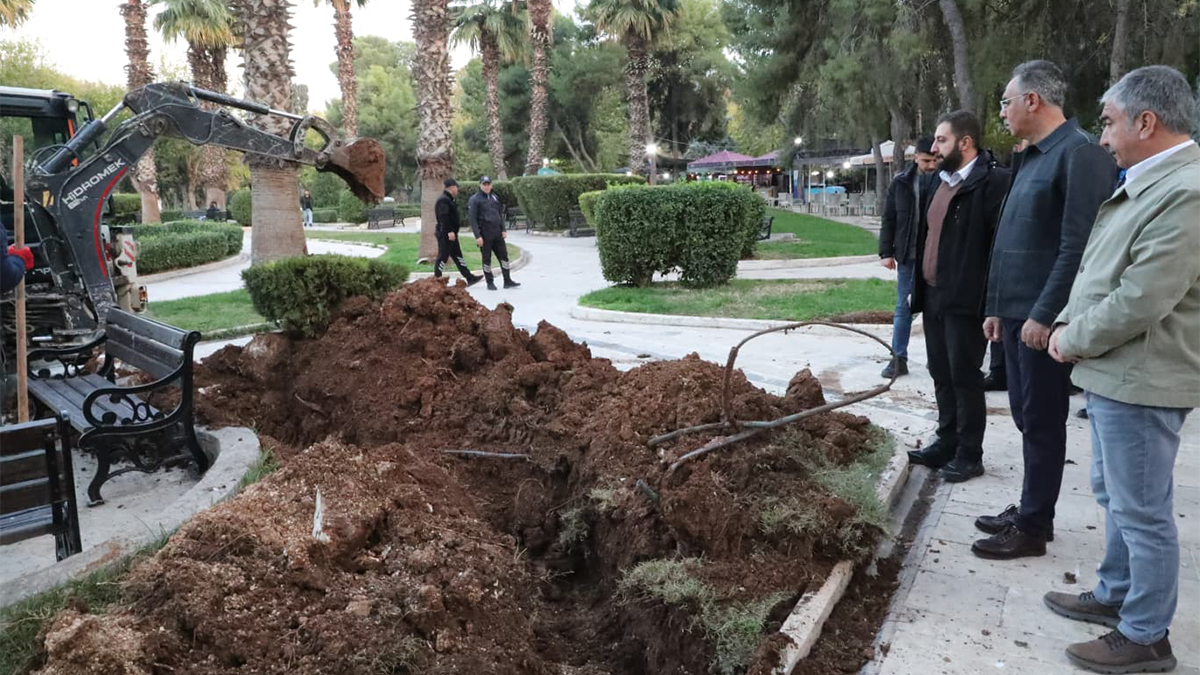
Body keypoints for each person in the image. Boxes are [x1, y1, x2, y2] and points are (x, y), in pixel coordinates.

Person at [1044, 65, 1198, 675]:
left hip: (1143, 375)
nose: (1102, 137)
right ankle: (1115, 595)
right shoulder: (1153, 180)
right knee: (1115, 495)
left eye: (1108, 123)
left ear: (1146, 121)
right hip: (1118, 373)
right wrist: (1065, 324)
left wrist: (1071, 339)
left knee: (1142, 510)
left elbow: (1143, 297)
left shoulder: (1184, 191)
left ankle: (1146, 635)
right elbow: (1101, 273)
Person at [972, 60, 1119, 560]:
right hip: (1014, 314)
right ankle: (1031, 506)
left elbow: (1077, 247)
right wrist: (996, 306)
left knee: (1041, 418)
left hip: (1041, 320)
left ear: (1032, 100)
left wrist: (1045, 313)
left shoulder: (1078, 156)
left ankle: (1035, 526)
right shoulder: (1033, 156)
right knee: (1024, 414)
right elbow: (1010, 239)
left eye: (1006, 102)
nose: (1004, 111)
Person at [906, 110, 1009, 483]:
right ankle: (946, 440)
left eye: (942, 140)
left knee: (965, 377)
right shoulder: (938, 181)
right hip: (933, 296)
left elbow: (1000, 248)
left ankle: (969, 453)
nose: (934, 148)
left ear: (965, 143)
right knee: (940, 373)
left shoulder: (993, 183)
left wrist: (992, 305)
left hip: (966, 302)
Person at [878, 135, 937, 379]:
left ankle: (937, 359)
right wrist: (886, 252)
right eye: (926, 160)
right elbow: (889, 218)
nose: (931, 165)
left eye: (934, 160)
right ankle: (898, 358)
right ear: (916, 158)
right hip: (908, 257)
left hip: (935, 258)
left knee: (935, 311)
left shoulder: (943, 181)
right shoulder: (900, 183)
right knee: (904, 308)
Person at [468, 176, 519, 291]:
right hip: (485, 234)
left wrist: (503, 230)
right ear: (480, 185)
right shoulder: (475, 199)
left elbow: (499, 215)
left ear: (491, 185)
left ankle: (507, 280)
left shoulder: (495, 198)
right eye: (484, 184)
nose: (486, 186)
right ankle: (490, 282)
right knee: (487, 259)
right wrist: (477, 236)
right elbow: (472, 219)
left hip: (497, 233)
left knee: (504, 257)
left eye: (488, 184)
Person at [434, 179, 482, 285]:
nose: (457, 189)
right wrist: (449, 231)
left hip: (452, 235)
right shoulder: (444, 200)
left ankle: (469, 277)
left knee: (458, 256)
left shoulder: (450, 199)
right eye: (456, 187)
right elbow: (443, 217)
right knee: (443, 257)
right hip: (446, 234)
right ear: (451, 188)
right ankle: (436, 279)